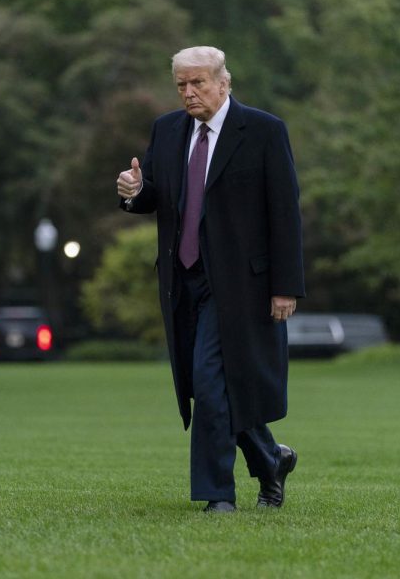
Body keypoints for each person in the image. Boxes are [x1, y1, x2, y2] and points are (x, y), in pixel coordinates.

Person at [116, 46, 305, 512]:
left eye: (198, 82)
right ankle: (269, 460)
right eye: (181, 85)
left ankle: (217, 494)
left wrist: (286, 285)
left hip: (241, 285)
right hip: (183, 281)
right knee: (213, 385)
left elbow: (284, 213)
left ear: (224, 82)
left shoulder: (263, 131)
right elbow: (159, 197)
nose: (189, 93)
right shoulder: (166, 130)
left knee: (210, 375)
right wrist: (135, 192)